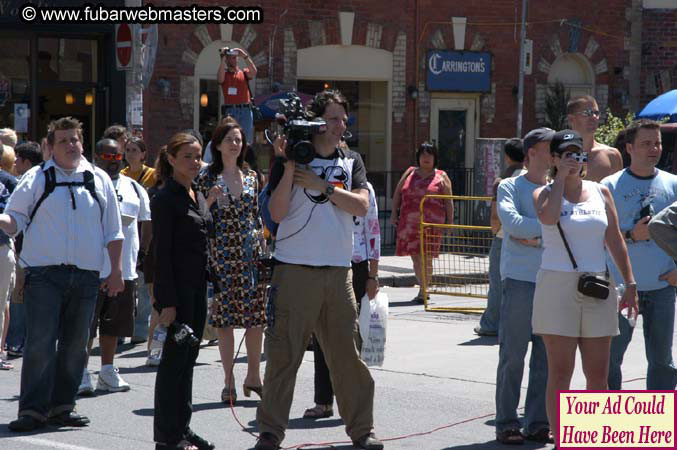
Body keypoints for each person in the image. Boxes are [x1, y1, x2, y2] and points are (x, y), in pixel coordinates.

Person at [255, 90, 383, 450]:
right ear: (315, 122)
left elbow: (360, 205)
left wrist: (323, 187)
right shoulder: (289, 160)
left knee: (347, 356)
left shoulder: (351, 160)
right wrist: (290, 166)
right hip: (294, 270)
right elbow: (276, 214)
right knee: (284, 355)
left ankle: (362, 430)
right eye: (333, 119)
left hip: (338, 272)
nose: (341, 125)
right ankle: (270, 432)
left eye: (344, 119)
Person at [0, 116, 124, 432]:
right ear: (51, 147)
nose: (71, 145)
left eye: (75, 139)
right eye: (64, 140)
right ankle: (32, 410)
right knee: (40, 343)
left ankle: (62, 407)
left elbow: (114, 231)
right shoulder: (36, 178)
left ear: (82, 143)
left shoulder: (99, 179)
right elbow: (15, 220)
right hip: (44, 275)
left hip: (86, 276)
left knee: (75, 345)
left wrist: (116, 272)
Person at [532, 129, 638, 446]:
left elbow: (615, 239)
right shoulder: (544, 193)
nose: (574, 159)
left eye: (578, 154)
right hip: (557, 286)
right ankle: (561, 436)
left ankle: (592, 436)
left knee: (598, 374)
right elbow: (549, 219)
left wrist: (629, 282)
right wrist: (561, 179)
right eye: (566, 154)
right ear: (554, 158)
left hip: (597, 285)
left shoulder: (600, 192)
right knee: (561, 372)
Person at [601, 119, 677, 391]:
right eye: (646, 143)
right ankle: (611, 421)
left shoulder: (673, 184)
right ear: (629, 148)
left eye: (657, 143)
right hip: (621, 287)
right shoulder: (608, 186)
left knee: (662, 362)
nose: (654, 149)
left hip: (663, 286)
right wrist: (632, 234)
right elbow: (598, 236)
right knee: (610, 360)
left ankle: (659, 426)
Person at [152, 133, 214, 450]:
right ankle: (167, 436)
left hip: (197, 288)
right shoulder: (165, 198)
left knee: (188, 360)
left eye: (198, 155)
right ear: (173, 159)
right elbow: (160, 254)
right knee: (173, 364)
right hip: (176, 291)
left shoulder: (197, 194)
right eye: (188, 156)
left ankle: (182, 427)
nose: (194, 162)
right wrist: (167, 303)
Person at [196, 120, 266, 404]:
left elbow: (256, 214)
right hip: (222, 253)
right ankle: (228, 380)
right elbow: (198, 215)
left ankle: (254, 375)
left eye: (238, 140)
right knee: (224, 319)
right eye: (229, 140)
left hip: (250, 253)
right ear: (218, 144)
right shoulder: (206, 178)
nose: (235, 144)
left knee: (256, 317)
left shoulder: (251, 176)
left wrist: (263, 241)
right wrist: (210, 200)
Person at [493, 128, 553, 445]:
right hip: (518, 281)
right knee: (513, 356)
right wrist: (549, 230)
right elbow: (512, 225)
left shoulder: (559, 188)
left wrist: (536, 238)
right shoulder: (510, 186)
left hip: (552, 281)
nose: (555, 153)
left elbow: (568, 225)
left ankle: (537, 422)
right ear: (532, 152)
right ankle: (506, 422)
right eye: (549, 148)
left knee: (545, 359)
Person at [303, 180, 381, 420]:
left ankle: (355, 404)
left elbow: (373, 228)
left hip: (355, 264)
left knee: (350, 338)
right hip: (321, 261)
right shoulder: (314, 181)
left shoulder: (364, 187)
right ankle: (323, 401)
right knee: (321, 336)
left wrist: (373, 275)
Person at [79, 138, 151, 395]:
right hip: (92, 268)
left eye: (116, 156)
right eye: (106, 156)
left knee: (114, 325)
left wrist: (142, 253)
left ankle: (107, 372)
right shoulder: (86, 184)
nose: (112, 161)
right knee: (86, 324)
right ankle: (81, 373)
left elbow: (146, 221)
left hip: (124, 270)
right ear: (96, 156)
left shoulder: (134, 187)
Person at [391, 142, 453, 304]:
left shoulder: (441, 176)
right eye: (423, 155)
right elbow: (398, 193)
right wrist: (393, 214)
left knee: (427, 258)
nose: (426, 158)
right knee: (416, 258)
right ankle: (422, 286)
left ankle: (423, 291)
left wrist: (449, 223)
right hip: (409, 224)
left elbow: (449, 202)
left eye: (429, 155)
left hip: (431, 225)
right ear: (418, 157)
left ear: (435, 158)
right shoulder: (410, 172)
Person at [475, 138, 525, 336]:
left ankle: (491, 323)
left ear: (506, 156)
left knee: (497, 283)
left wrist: (495, 230)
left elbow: (495, 215)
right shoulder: (535, 178)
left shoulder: (503, 181)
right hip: (527, 237)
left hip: (504, 237)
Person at [5, 141, 42, 360]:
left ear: (27, 162)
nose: (15, 163)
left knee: (20, 298)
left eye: (18, 159)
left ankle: (18, 341)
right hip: (26, 250)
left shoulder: (27, 184)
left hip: (29, 251)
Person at [121, 136, 156, 345]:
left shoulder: (152, 176)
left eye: (135, 150)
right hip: (127, 235)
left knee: (143, 285)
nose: (130, 154)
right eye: (128, 150)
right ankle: (123, 327)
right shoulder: (120, 175)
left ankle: (141, 328)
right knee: (127, 285)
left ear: (143, 154)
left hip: (145, 232)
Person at [566, 95, 622, 182]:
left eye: (596, 113)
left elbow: (618, 192)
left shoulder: (612, 155)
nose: (593, 117)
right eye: (586, 113)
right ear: (571, 119)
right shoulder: (559, 154)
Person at [217, 46, 257, 144]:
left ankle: (245, 158)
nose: (233, 60)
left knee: (246, 140)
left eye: (235, 58)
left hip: (245, 110)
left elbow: (254, 72)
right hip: (231, 111)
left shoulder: (243, 73)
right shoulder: (224, 73)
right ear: (226, 60)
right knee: (230, 138)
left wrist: (244, 55)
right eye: (231, 58)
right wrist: (222, 58)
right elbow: (220, 79)